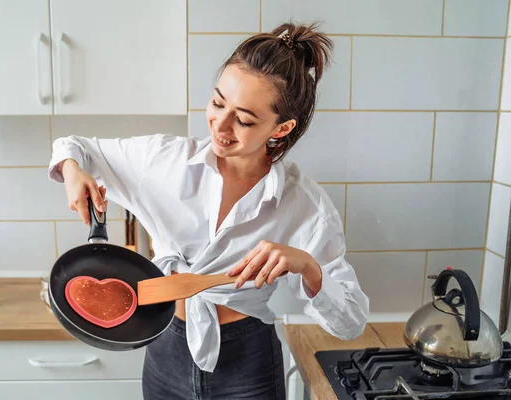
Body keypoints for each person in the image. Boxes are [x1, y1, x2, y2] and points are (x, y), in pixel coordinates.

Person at [49, 22, 369, 400]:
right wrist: (73, 170)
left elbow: (350, 322)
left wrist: (308, 267)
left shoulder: (304, 206)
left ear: (281, 128)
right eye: (218, 102)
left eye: (245, 120)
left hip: (248, 365)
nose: (220, 124)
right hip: (164, 348)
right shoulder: (165, 161)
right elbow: (74, 146)